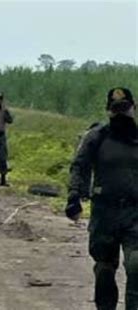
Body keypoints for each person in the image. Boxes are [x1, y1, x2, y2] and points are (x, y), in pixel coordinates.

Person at [66, 87, 138, 310]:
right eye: (116, 110)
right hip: (104, 215)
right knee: (105, 270)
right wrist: (74, 196)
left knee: (136, 266)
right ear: (108, 111)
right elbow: (80, 166)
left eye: (125, 109)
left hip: (135, 214)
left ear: (134, 109)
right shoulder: (97, 137)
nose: (121, 115)